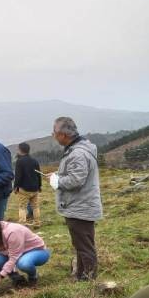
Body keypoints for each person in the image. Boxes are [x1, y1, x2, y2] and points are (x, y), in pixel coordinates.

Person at [48, 116, 102, 281]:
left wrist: (56, 181)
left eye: (54, 132)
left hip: (80, 206)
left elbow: (76, 180)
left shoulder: (77, 153)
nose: (53, 135)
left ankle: (89, 277)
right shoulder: (76, 149)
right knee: (81, 243)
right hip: (78, 205)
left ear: (63, 135)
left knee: (84, 245)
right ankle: (80, 274)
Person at [0, 219, 50, 290]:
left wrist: (0, 277)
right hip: (16, 255)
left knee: (24, 263)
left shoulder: (12, 232)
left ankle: (33, 276)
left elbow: (13, 258)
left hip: (37, 251)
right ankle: (17, 278)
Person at [14, 142, 42, 226]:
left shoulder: (19, 161)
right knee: (35, 206)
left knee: (22, 206)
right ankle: (37, 223)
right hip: (35, 188)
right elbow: (38, 174)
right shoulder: (34, 161)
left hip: (24, 189)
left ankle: (22, 224)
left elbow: (18, 176)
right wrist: (39, 186)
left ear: (20, 150)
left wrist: (16, 186)